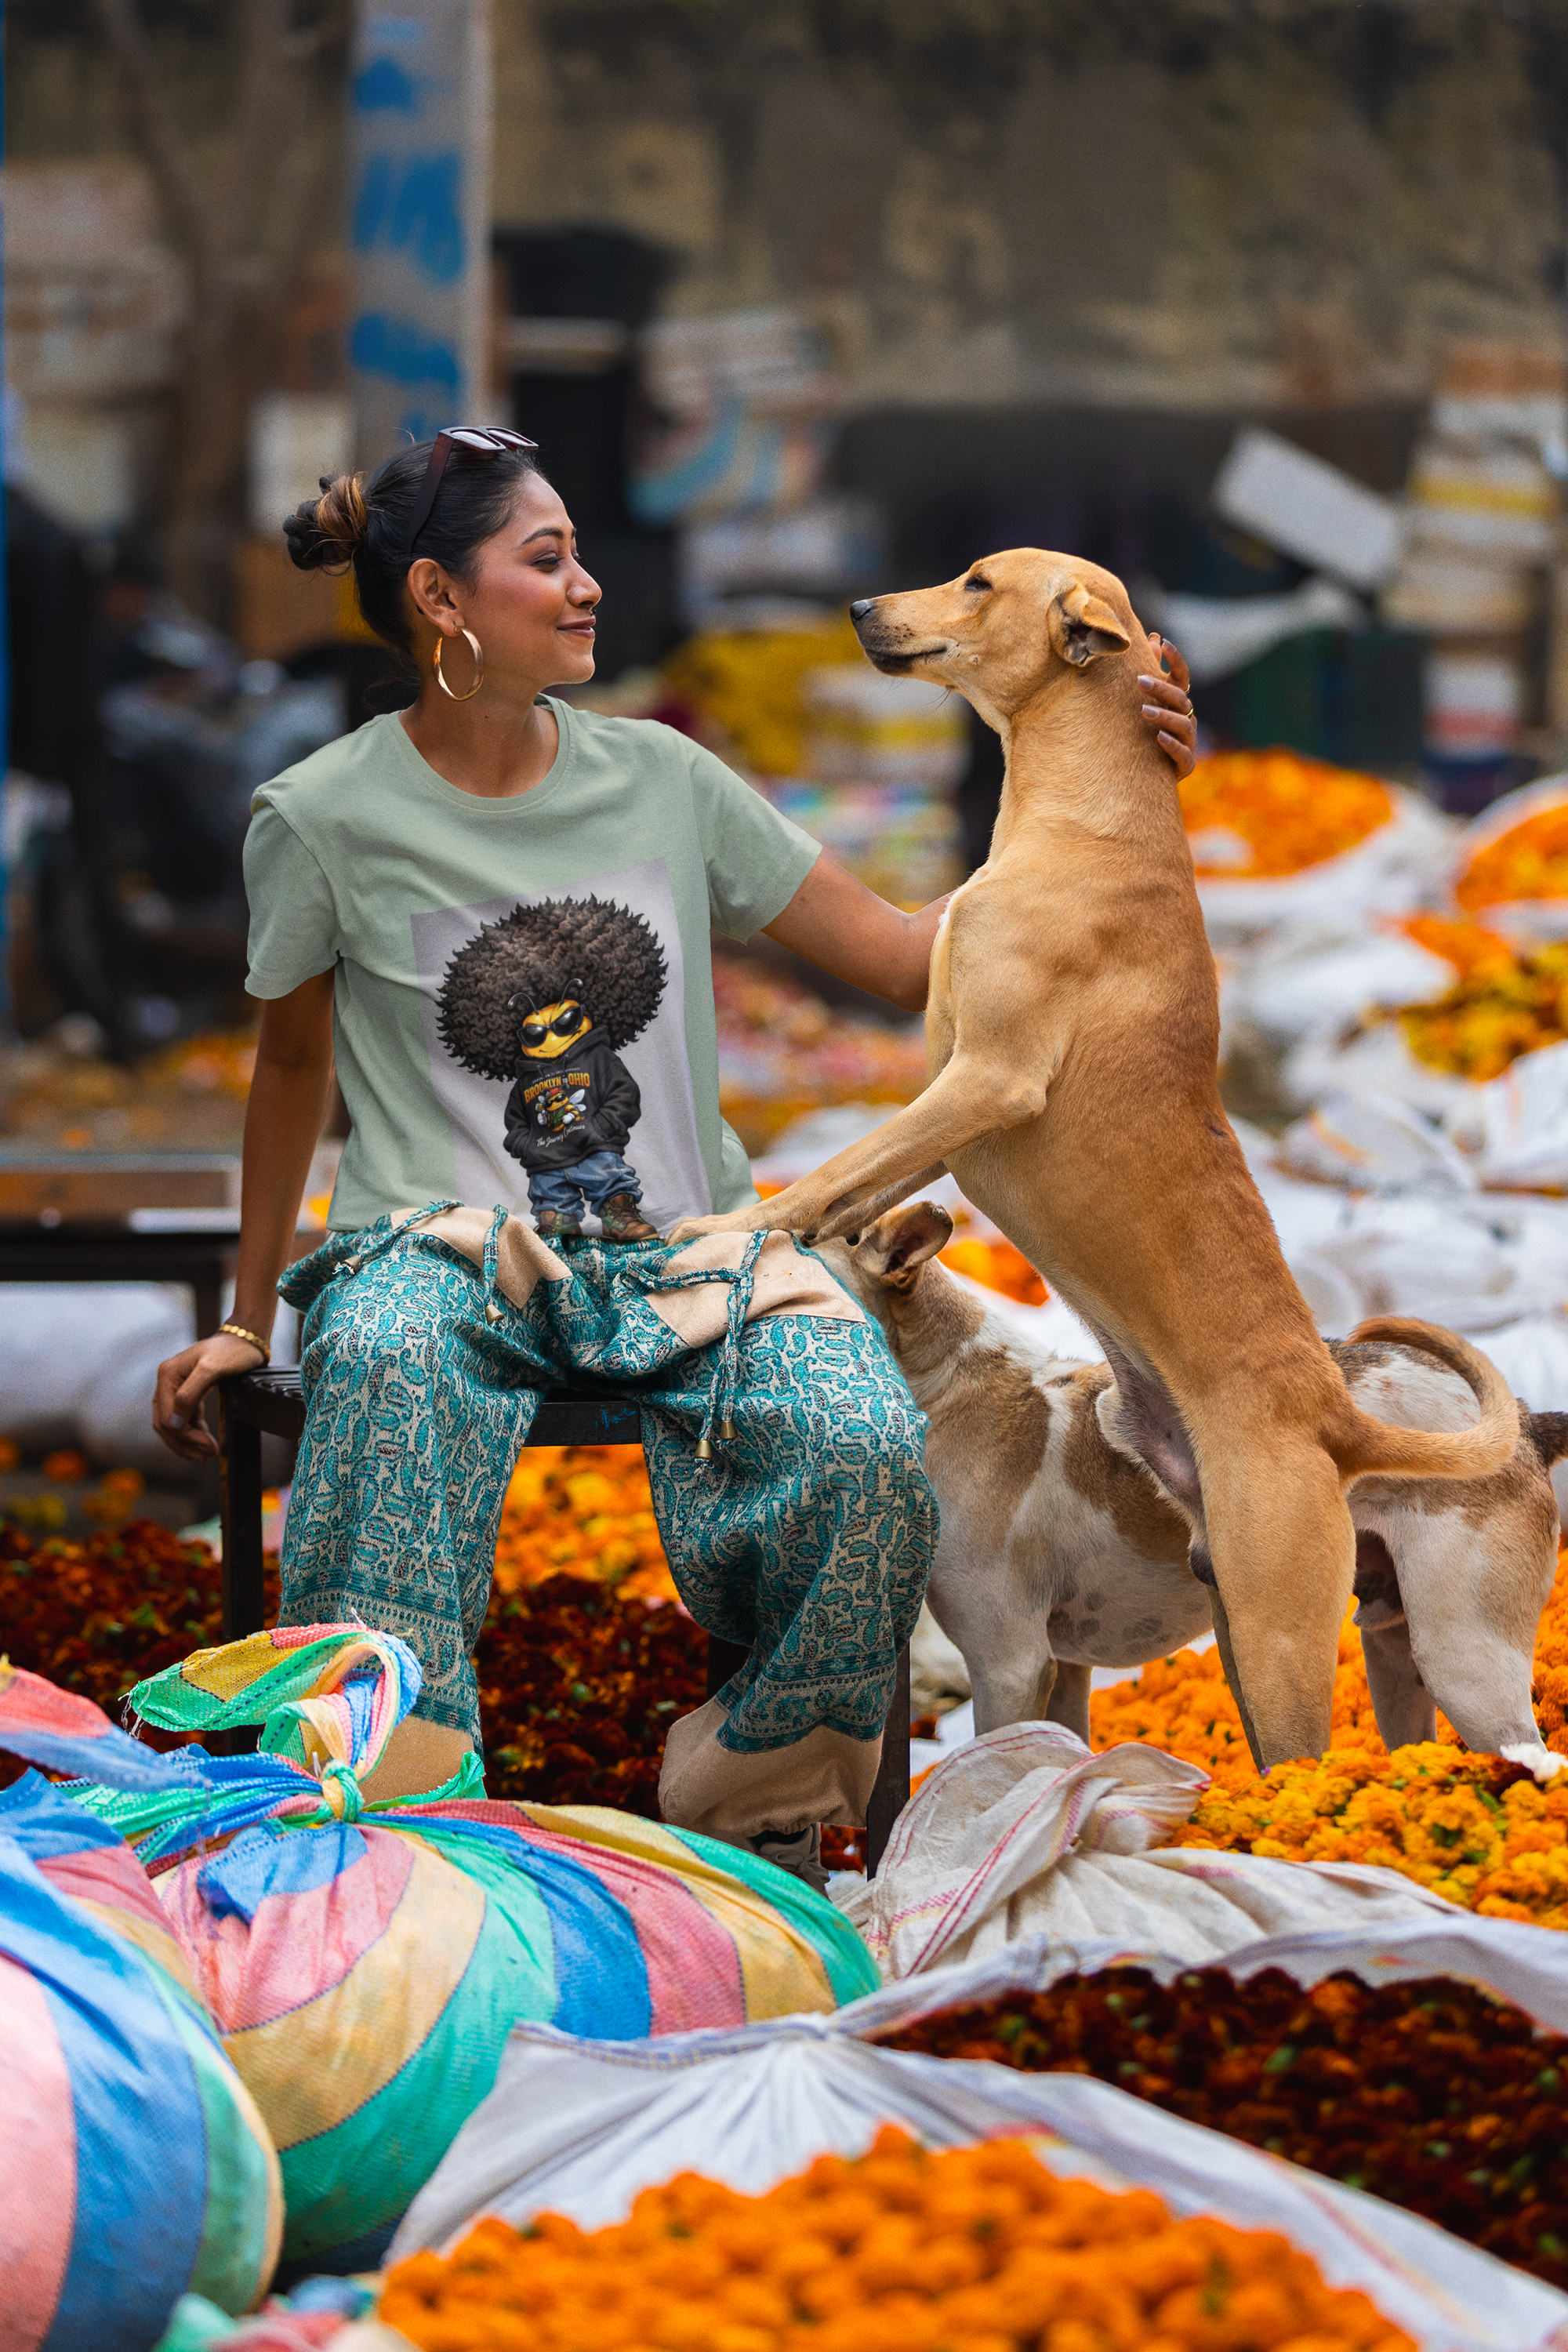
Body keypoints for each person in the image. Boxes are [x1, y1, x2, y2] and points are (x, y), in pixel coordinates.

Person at [152, 427, 1196, 1875]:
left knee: (860, 1443)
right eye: (547, 560)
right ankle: (380, 1829)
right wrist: (241, 1317)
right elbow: (287, 1071)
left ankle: (753, 1809)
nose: (587, 589)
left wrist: (1103, 777)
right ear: (444, 603)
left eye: (580, 555)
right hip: (440, 1251)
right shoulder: (320, 817)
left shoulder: (667, 780)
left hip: (691, 1249)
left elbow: (907, 964)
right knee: (387, 1367)